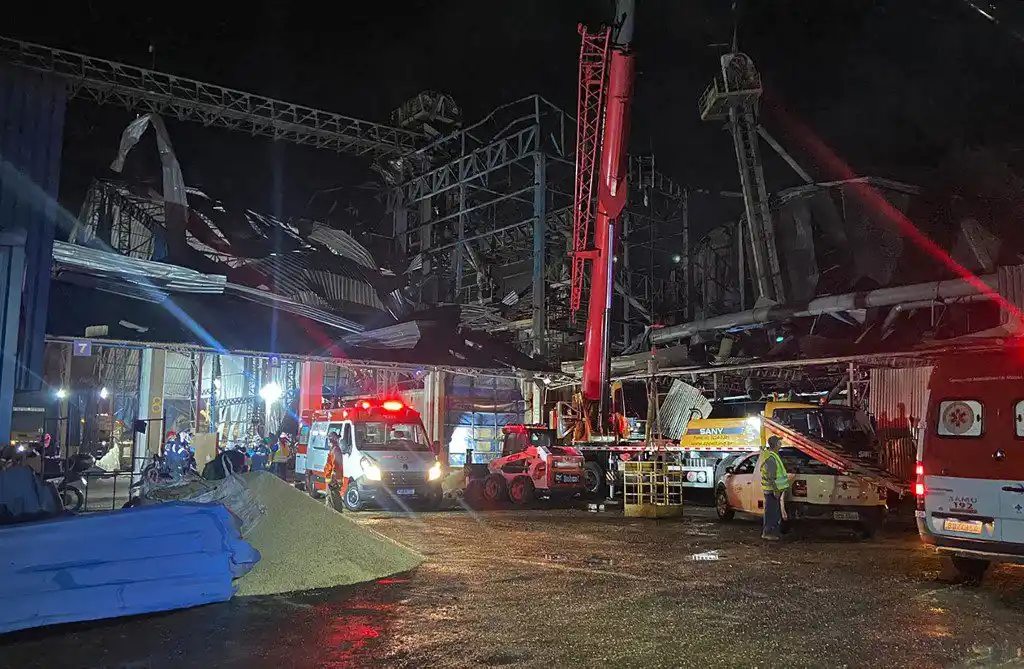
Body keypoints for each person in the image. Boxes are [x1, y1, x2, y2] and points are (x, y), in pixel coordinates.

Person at [760, 435, 790, 541]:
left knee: (773, 512)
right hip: (772, 491)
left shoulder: (773, 456)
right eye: (779, 442)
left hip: (772, 490)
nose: (781, 444)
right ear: (775, 444)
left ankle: (771, 532)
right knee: (771, 513)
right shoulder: (771, 458)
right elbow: (771, 477)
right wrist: (776, 490)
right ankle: (768, 533)